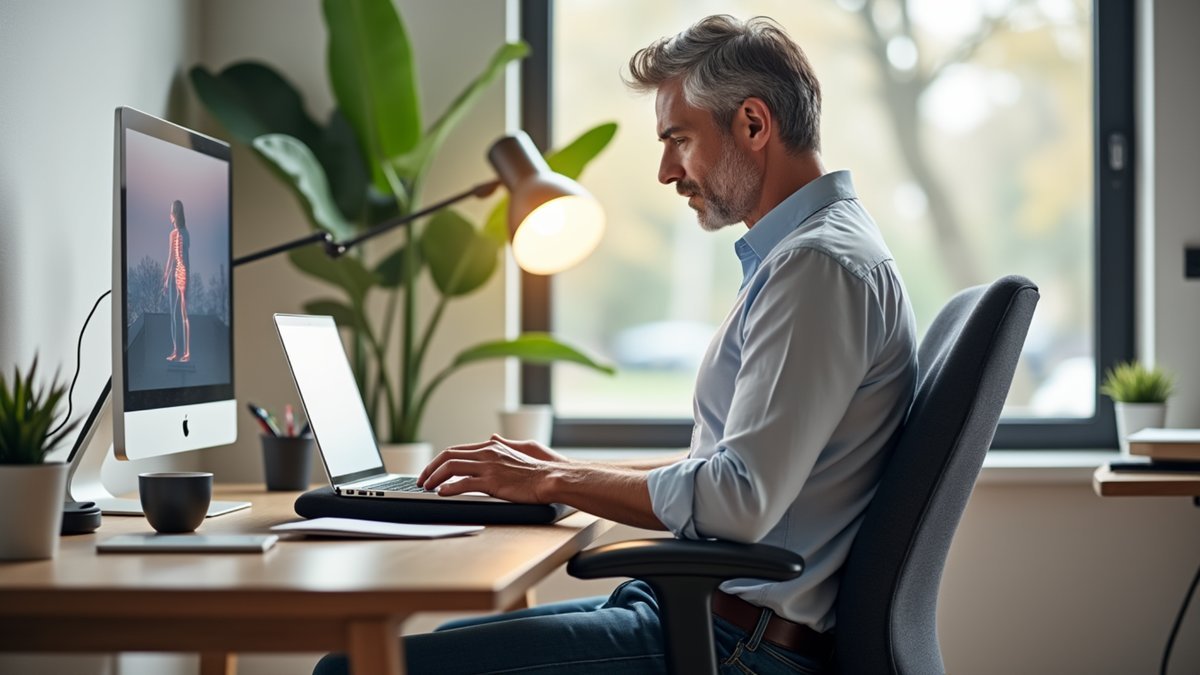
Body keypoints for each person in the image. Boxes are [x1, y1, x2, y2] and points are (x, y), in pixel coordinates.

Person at [315, 14, 916, 675]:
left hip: (736, 649)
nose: (665, 171)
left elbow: (736, 501)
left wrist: (551, 478)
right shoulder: (811, 258)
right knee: (411, 650)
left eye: (679, 139)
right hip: (698, 617)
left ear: (752, 123)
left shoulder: (817, 269)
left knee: (354, 670)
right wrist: (565, 470)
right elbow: (727, 467)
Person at [162, 199, 191, 363]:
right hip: (175, 275)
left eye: (171, 213)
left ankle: (186, 352)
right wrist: (166, 278)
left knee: (183, 314)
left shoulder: (185, 233)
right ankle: (176, 350)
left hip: (183, 274)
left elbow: (185, 258)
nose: (170, 216)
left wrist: (187, 279)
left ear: (175, 214)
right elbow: (170, 257)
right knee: (174, 314)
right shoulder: (172, 235)